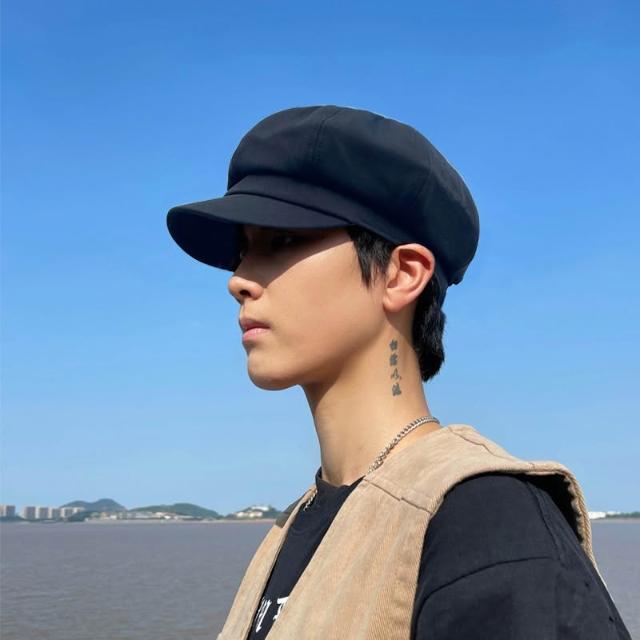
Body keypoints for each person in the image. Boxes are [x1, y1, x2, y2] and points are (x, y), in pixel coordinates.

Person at [166, 105, 632, 639]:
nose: (239, 281)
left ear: (402, 275)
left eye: (284, 240)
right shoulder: (294, 525)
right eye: (243, 252)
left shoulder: (485, 523)